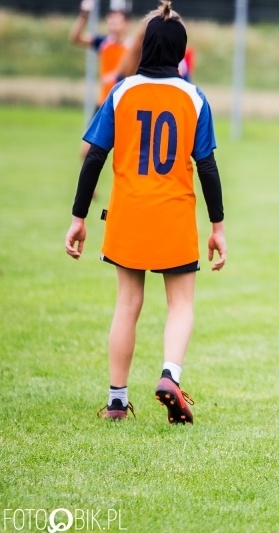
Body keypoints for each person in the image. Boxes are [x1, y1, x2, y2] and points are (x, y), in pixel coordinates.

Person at [64, 0, 227, 424]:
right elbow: (207, 166)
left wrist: (79, 218)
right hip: (173, 214)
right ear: (180, 50)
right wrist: (218, 227)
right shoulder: (194, 97)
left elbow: (94, 156)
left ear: (143, 47)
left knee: (127, 302)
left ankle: (117, 401)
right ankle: (170, 376)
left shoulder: (122, 92)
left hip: (127, 214)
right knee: (181, 303)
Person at [69, 0, 131, 159]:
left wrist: (117, 75)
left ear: (126, 24)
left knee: (127, 155)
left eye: (117, 20)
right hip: (104, 104)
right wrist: (84, 15)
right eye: (110, 20)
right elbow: (75, 38)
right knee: (86, 152)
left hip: (126, 106)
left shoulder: (133, 49)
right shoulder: (104, 43)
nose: (112, 23)